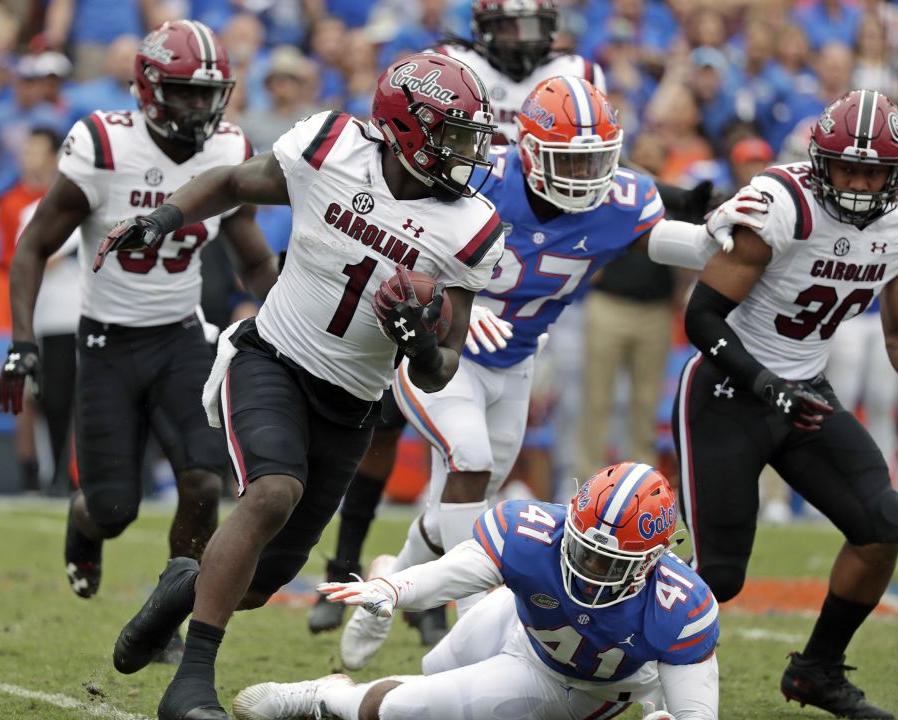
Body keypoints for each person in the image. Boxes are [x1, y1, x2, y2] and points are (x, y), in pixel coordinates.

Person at [107, 51, 507, 720]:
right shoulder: (332, 148)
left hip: (352, 403)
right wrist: (164, 219)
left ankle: (183, 585)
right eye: (453, 133)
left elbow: (446, 364)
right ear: (407, 127)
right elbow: (233, 180)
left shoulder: (471, 226)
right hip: (274, 359)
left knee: (263, 582)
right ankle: (191, 684)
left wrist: (417, 341)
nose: (466, 152)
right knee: (271, 494)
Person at [338, 76, 765, 672]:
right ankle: (468, 633)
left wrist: (731, 231)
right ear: (531, 150)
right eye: (572, 159)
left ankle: (390, 577)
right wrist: (458, 307)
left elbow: (672, 242)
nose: (587, 174)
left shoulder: (621, 201)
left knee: (458, 503)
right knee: (470, 461)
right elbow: (401, 246)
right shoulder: (479, 177)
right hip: (439, 354)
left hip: (514, 364)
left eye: (597, 159)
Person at [0, 21, 273, 644]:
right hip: (106, 343)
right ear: (148, 90)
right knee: (113, 508)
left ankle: (169, 610)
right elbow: (34, 245)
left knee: (204, 482)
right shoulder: (103, 142)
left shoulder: (227, 148)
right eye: (185, 92)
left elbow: (251, 252)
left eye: (210, 94)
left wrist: (286, 314)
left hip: (180, 336)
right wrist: (23, 342)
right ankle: (84, 522)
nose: (201, 107)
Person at [674, 89, 898, 719]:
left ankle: (816, 671)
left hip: (805, 392)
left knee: (881, 526)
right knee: (719, 577)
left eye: (875, 172)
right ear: (821, 163)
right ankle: (602, 644)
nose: (862, 185)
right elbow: (702, 316)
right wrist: (763, 383)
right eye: (849, 168)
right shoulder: (784, 205)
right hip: (731, 389)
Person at [234, 463, 720, 720]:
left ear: (652, 561)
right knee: (434, 665)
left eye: (608, 561)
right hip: (521, 620)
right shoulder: (532, 532)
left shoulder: (681, 605)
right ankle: (391, 566)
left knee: (410, 708)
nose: (587, 566)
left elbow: (697, 712)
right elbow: (454, 571)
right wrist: (395, 586)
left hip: (566, 682)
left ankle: (326, 696)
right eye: (581, 546)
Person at [435, 0, 605, 144]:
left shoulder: (578, 72)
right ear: (483, 28)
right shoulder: (450, 65)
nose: (520, 40)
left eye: (531, 27)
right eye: (507, 28)